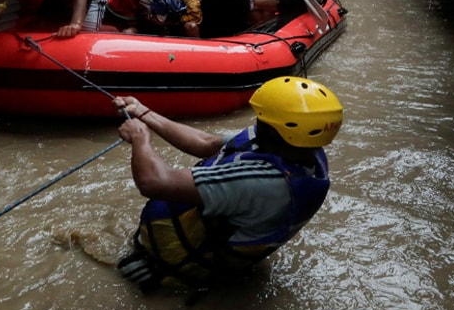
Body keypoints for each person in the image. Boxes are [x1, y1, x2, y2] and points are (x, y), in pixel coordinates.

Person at [113, 76, 343, 291]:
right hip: (213, 243)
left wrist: (140, 138)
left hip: (181, 261)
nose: (257, 120)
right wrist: (144, 112)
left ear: (276, 131)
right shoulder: (299, 149)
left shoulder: (261, 181)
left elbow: (154, 182)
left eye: (262, 117)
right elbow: (205, 142)